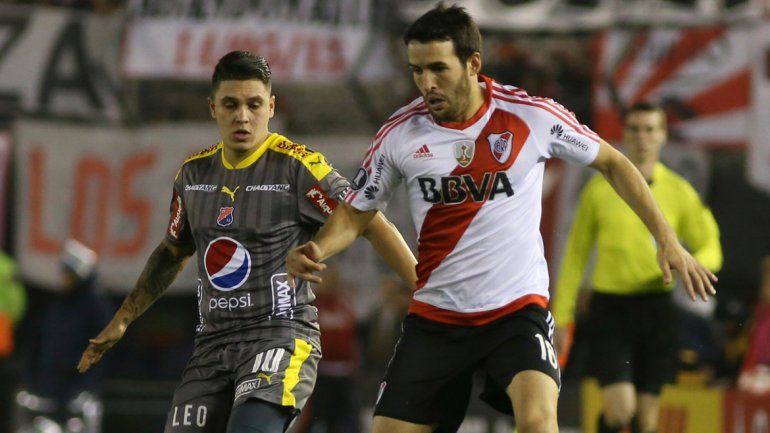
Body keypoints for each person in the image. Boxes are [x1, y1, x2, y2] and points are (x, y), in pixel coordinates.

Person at [286, 5, 717, 433]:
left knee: (538, 423)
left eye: (438, 68)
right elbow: (357, 212)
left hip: (515, 313)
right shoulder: (400, 134)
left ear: (473, 63)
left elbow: (613, 162)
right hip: (437, 319)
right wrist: (318, 247)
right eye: (417, 71)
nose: (426, 83)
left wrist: (666, 238)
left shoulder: (531, 116)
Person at [77, 51, 413, 433]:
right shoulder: (193, 175)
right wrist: (123, 319)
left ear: (270, 107)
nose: (242, 116)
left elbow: (369, 219)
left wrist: (423, 290)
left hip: (279, 339)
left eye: (254, 105)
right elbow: (173, 251)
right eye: (231, 104)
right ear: (213, 108)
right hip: (212, 348)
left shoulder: (297, 167)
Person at [551, 102, 723, 433]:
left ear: (663, 135)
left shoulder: (679, 191)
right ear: (624, 135)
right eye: (635, 129)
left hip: (657, 311)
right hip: (610, 310)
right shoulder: (599, 191)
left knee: (646, 422)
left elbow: (709, 241)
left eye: (650, 129)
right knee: (619, 412)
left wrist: (696, 267)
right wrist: (562, 316)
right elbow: (575, 255)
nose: (642, 137)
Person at [18, 239, 111, 433]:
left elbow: (101, 351)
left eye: (68, 274)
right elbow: (40, 343)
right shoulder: (57, 307)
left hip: (76, 395)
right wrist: (31, 380)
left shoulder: (95, 309)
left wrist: (88, 386)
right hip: (47, 391)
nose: (63, 278)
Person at [737, 256, 770, 394]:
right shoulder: (760, 313)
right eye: (766, 279)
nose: (765, 285)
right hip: (757, 374)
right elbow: (750, 349)